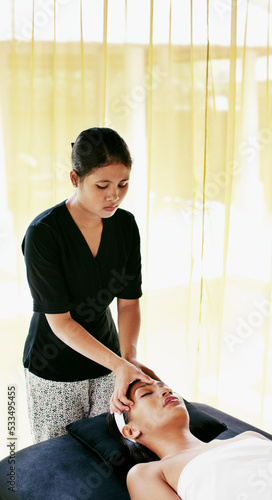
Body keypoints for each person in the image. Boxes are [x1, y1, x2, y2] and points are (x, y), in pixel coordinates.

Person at [22, 127, 158, 443]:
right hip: (54, 367)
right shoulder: (44, 234)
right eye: (102, 185)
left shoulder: (125, 226)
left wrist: (129, 358)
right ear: (75, 178)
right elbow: (60, 322)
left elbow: (128, 302)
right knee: (58, 459)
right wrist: (120, 364)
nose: (115, 195)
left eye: (123, 184)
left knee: (109, 448)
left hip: (109, 359)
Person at [107, 380, 272, 500]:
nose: (164, 390)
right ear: (131, 431)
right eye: (146, 394)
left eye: (165, 387)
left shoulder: (250, 438)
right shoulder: (149, 473)